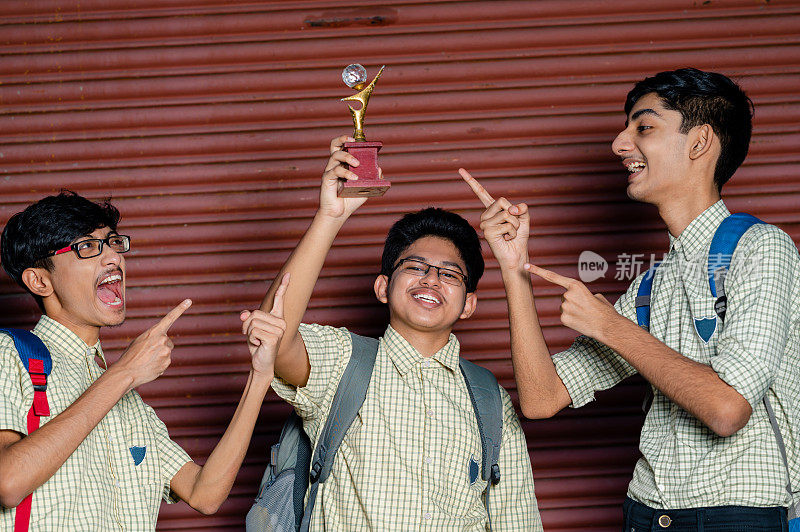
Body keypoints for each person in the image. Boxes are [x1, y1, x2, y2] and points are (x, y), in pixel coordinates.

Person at [461, 68, 799, 530]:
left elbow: (727, 409)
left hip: (739, 515)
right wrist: (513, 267)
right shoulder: (650, 286)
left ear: (699, 143)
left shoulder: (763, 249)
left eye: (643, 127)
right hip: (646, 514)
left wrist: (611, 327)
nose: (620, 145)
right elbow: (542, 398)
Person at [241, 135, 541, 530]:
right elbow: (273, 335)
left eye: (450, 274)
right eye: (415, 267)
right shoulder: (344, 362)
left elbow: (516, 519)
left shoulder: (488, 399)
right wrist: (329, 217)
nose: (431, 279)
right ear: (383, 287)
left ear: (469, 304)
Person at [0, 191, 289, 530]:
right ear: (40, 280)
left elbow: (204, 493)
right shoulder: (12, 355)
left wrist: (260, 375)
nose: (112, 258)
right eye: (87, 247)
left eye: (112, 243)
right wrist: (124, 373)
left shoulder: (129, 402)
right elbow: (8, 481)